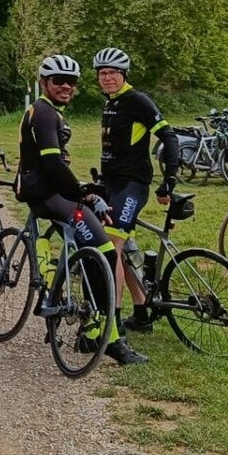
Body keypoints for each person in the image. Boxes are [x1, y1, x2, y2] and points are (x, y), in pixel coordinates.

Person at [17, 54, 146, 366]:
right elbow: (52, 163)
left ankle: (90, 322)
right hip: (50, 195)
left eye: (71, 82)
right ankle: (108, 337)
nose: (66, 86)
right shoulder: (44, 113)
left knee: (95, 248)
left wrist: (83, 189)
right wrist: (83, 194)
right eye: (58, 81)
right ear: (44, 83)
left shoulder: (48, 111)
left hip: (48, 191)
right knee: (106, 252)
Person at [91, 47, 181, 333]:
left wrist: (169, 178)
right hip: (112, 184)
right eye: (102, 73)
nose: (107, 78)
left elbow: (169, 136)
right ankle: (141, 313)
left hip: (133, 185)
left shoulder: (137, 100)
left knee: (110, 247)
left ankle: (112, 323)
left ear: (124, 74)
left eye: (113, 73)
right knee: (122, 249)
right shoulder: (110, 102)